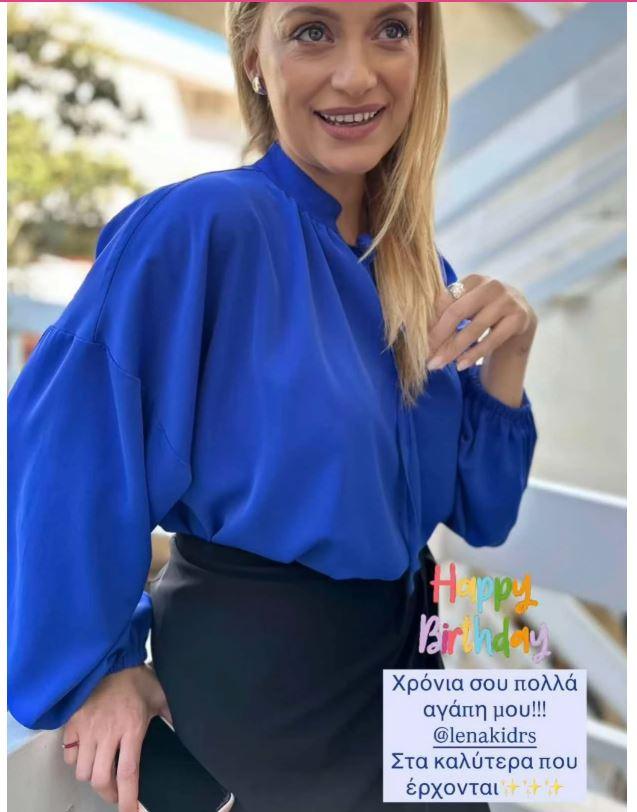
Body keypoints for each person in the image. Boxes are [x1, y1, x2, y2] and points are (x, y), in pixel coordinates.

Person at [8, 3, 539, 811]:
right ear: (254, 58)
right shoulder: (197, 227)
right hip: (268, 692)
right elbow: (63, 449)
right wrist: (100, 670)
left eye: (391, 29)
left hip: (416, 655)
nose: (356, 74)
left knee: (539, 751)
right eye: (312, 31)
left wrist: (512, 351)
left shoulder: (420, 270)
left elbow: (484, 514)